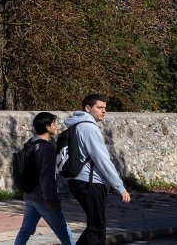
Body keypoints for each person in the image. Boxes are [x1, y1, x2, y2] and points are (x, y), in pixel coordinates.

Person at [64, 93, 131, 245]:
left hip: (78, 180)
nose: (103, 111)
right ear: (88, 108)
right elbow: (102, 160)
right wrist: (120, 187)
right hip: (90, 183)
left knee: (95, 226)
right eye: (99, 107)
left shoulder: (77, 126)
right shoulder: (89, 128)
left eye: (105, 108)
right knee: (97, 229)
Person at [13, 112, 76, 245]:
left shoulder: (30, 144)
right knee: (63, 230)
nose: (55, 126)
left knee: (26, 230)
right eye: (53, 123)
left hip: (30, 196)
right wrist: (49, 198)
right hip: (43, 198)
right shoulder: (47, 149)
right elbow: (47, 176)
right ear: (47, 127)